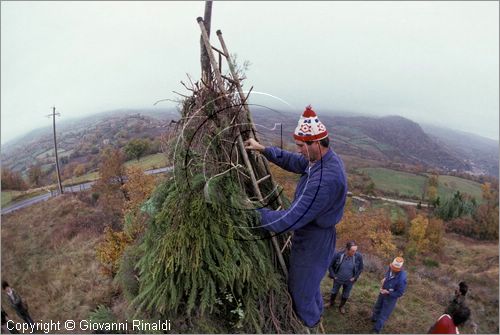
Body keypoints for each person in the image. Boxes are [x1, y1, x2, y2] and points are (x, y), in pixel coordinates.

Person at [244, 105, 348, 330]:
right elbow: (294, 161)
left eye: (301, 146)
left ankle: (309, 322)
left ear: (316, 144)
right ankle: (317, 311)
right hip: (311, 232)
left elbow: (290, 219)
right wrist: (263, 149)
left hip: (315, 241)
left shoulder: (324, 180)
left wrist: (254, 214)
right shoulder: (319, 160)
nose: (298, 150)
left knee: (301, 291)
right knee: (309, 285)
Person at [371, 257, 407, 334]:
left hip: (390, 298)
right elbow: (388, 274)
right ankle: (374, 319)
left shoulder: (402, 279)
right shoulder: (390, 268)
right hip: (382, 292)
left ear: (400, 268)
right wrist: (385, 279)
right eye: (392, 267)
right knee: (377, 306)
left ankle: (376, 330)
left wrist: (388, 292)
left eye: (395, 269)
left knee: (383, 314)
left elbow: (400, 293)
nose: (393, 269)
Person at [327, 240, 364, 314]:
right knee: (334, 291)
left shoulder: (358, 256)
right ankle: (331, 303)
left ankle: (341, 306)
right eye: (353, 251)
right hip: (338, 279)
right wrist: (334, 276)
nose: (354, 253)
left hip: (349, 281)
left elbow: (361, 268)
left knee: (346, 294)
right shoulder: (338, 255)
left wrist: (355, 278)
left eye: (355, 250)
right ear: (347, 249)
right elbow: (330, 266)